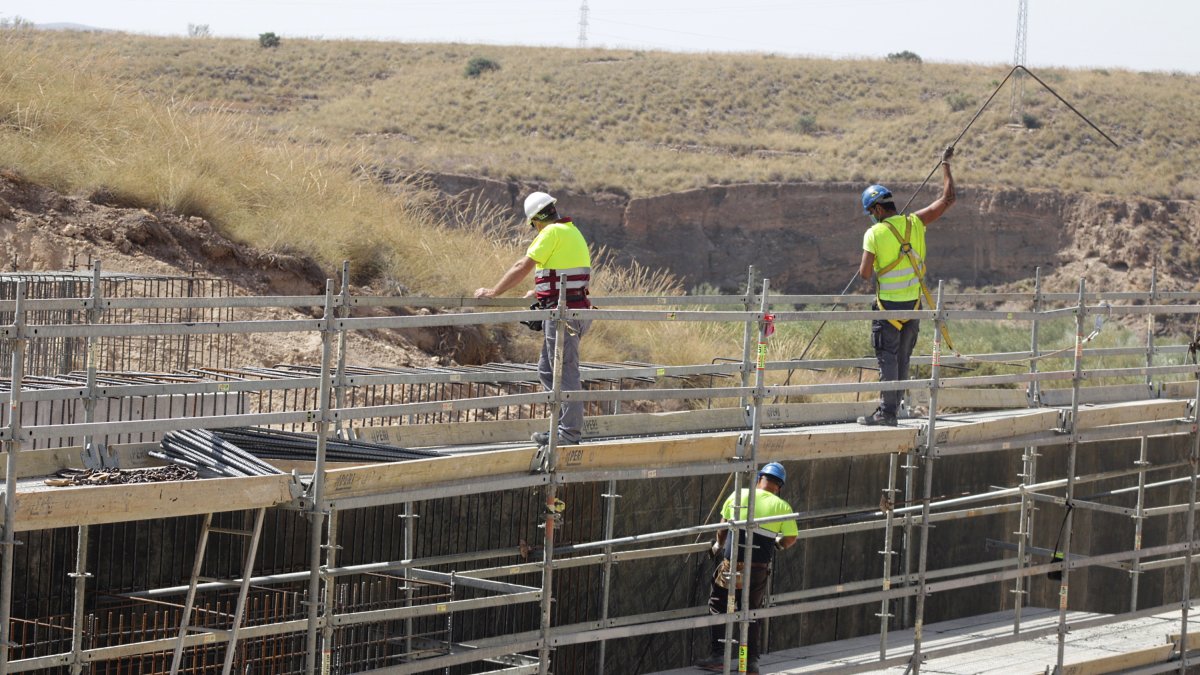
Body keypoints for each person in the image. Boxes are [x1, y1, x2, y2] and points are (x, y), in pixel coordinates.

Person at [474, 191, 592, 446]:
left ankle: (568, 434)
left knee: (564, 373)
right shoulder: (572, 232)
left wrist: (494, 292)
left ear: (535, 221)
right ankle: (560, 428)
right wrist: (539, 292)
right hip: (573, 310)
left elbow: (522, 266)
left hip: (564, 315)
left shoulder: (551, 233)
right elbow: (565, 276)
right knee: (547, 370)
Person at [856, 147, 956, 426]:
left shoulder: (874, 233)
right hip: (913, 306)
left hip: (887, 308)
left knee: (887, 358)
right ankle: (894, 409)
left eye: (871, 212)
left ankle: (886, 413)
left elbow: (865, 274)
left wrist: (880, 259)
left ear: (878, 209)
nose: (872, 216)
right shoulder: (916, 222)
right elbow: (948, 199)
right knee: (902, 359)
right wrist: (945, 164)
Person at [697, 462, 799, 675]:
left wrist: (717, 547)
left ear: (759, 478)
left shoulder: (739, 494)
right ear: (779, 486)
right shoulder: (783, 507)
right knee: (750, 612)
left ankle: (719, 657)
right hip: (758, 570)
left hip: (732, 566)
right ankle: (748, 662)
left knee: (720, 605)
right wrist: (777, 545)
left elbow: (722, 530)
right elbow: (790, 538)